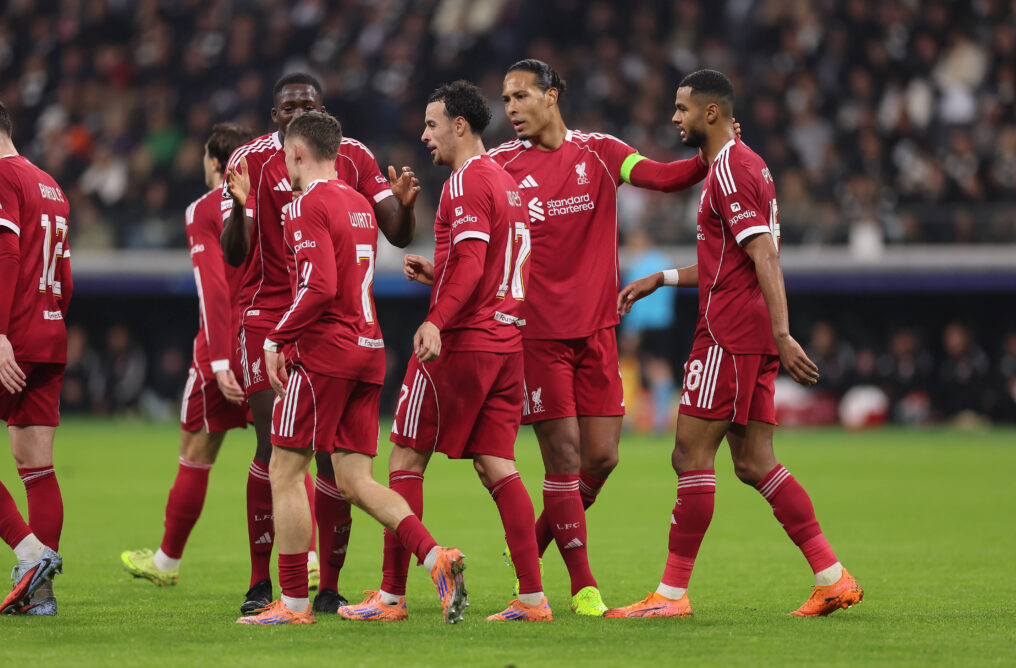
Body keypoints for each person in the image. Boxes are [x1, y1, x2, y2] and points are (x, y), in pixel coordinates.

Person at [607, 69, 862, 618]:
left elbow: (765, 254)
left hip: (729, 334)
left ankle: (671, 596)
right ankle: (832, 576)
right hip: (742, 331)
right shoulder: (742, 163)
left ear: (711, 113)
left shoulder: (730, 171)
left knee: (689, 453)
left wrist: (782, 332)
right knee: (753, 461)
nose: (674, 118)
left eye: (682, 109)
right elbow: (728, 260)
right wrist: (663, 278)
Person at [487, 58, 713, 615]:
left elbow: (662, 177)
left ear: (552, 95)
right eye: (506, 99)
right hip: (538, 335)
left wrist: (713, 151)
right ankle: (584, 589)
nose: (511, 108)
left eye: (520, 96)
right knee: (561, 461)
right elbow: (468, 218)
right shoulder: (499, 166)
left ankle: (529, 551)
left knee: (603, 459)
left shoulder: (601, 151)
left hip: (597, 331)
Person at [235, 111, 467, 626]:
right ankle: (437, 558)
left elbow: (317, 287)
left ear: (296, 153)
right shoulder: (359, 204)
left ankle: (292, 604)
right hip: (369, 348)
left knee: (285, 468)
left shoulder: (304, 205)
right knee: (354, 479)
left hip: (324, 355)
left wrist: (276, 338)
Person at [338, 81, 550, 624]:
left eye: (432, 124)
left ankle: (391, 596)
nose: (424, 135)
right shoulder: (508, 183)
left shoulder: (463, 183)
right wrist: (441, 272)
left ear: (461, 126)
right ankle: (532, 597)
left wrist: (435, 318)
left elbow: (476, 264)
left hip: (462, 343)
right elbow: (491, 266)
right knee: (498, 466)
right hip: (507, 342)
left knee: (405, 458)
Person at [221, 72, 420, 615]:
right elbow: (234, 255)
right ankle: (266, 582)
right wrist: (238, 206)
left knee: (320, 464)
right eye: (287, 107)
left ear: (321, 114)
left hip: (326, 321)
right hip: (275, 314)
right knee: (276, 446)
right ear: (273, 115)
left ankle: (320, 587)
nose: (295, 113)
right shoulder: (251, 160)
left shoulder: (352, 157)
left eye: (306, 105)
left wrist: (404, 207)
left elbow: (396, 231)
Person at [120, 123, 254, 586]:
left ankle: (166, 563)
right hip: (272, 345)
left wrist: (218, 361)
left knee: (195, 452)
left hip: (223, 348)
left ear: (216, 162)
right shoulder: (275, 203)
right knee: (287, 457)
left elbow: (213, 288)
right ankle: (311, 561)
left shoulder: (204, 209)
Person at [0, 97, 66, 615]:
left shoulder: (0, 176)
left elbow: (5, 254)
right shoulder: (51, 184)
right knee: (36, 467)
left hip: (11, 340)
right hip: (48, 334)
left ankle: (31, 552)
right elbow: (62, 273)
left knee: (34, 466)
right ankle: (38, 598)